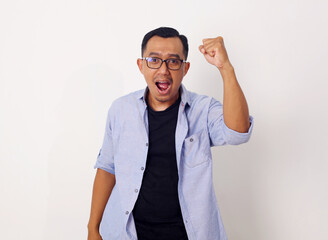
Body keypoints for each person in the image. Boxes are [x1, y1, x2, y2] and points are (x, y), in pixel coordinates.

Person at [87, 27, 253, 240]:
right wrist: (93, 228)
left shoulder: (202, 110)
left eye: (173, 61)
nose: (163, 70)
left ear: (185, 68)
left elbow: (237, 133)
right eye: (154, 60)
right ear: (141, 65)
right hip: (128, 233)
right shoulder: (121, 110)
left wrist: (225, 68)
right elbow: (107, 168)